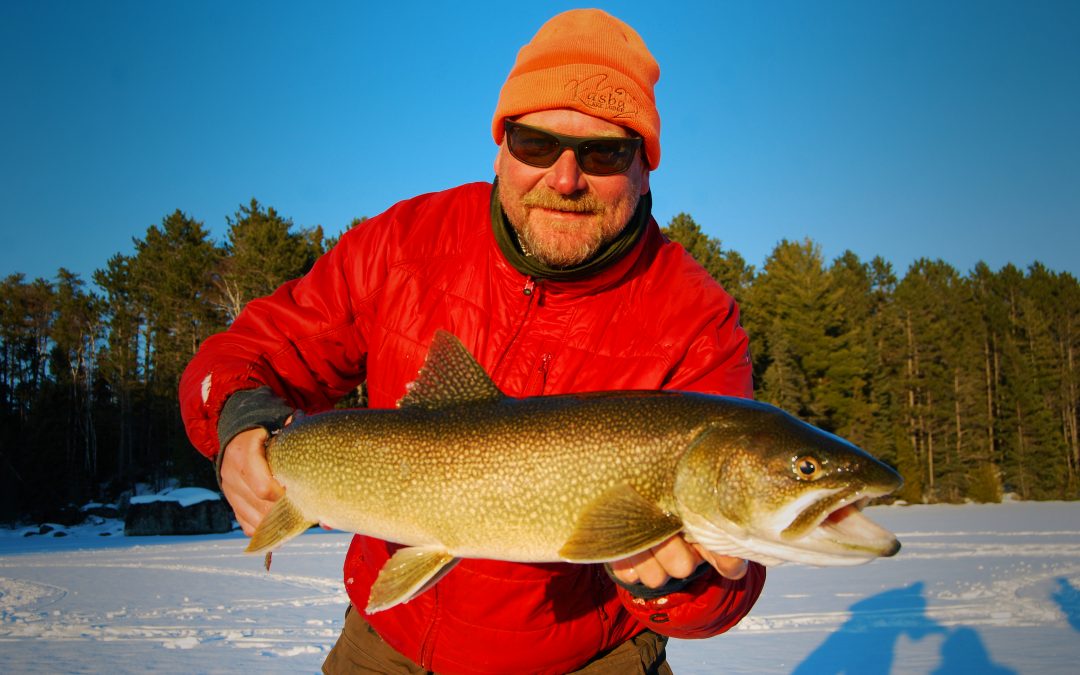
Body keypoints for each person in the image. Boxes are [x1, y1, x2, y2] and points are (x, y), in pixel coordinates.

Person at [180, 9, 765, 674]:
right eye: (535, 143)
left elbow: (728, 585)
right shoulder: (405, 242)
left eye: (604, 152)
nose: (565, 178)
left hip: (583, 659)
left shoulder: (696, 319)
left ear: (646, 166)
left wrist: (680, 590)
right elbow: (248, 353)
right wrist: (238, 419)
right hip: (385, 645)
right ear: (501, 146)